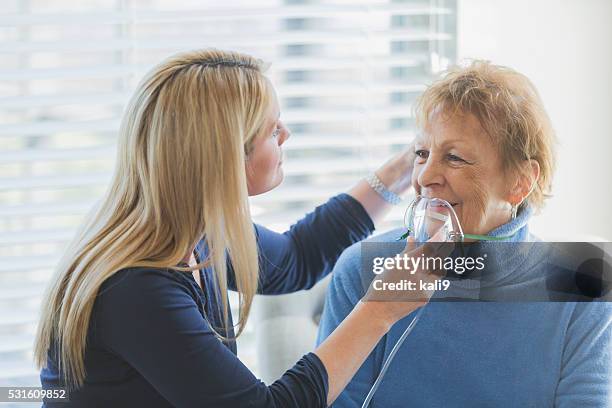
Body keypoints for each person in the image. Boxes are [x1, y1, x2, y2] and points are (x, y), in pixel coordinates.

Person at [33, 49, 435, 407]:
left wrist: (410, 165)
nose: (286, 135)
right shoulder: (137, 288)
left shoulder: (195, 231)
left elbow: (297, 257)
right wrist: (380, 309)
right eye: (272, 129)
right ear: (227, 156)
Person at [317, 61, 612, 407]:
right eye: (422, 154)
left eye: (454, 158)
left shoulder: (585, 280)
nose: (426, 177)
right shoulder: (364, 269)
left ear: (520, 182)